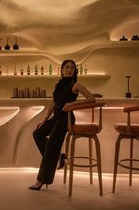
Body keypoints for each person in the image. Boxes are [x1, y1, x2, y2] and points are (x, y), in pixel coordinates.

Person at [29, 59, 95, 190]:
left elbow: (92, 99)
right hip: (56, 117)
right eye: (67, 67)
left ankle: (40, 180)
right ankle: (60, 157)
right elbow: (53, 103)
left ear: (75, 71)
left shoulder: (76, 85)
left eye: (72, 67)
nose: (69, 69)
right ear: (62, 70)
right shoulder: (58, 85)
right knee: (37, 133)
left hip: (67, 118)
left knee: (52, 145)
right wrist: (45, 119)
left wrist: (72, 104)